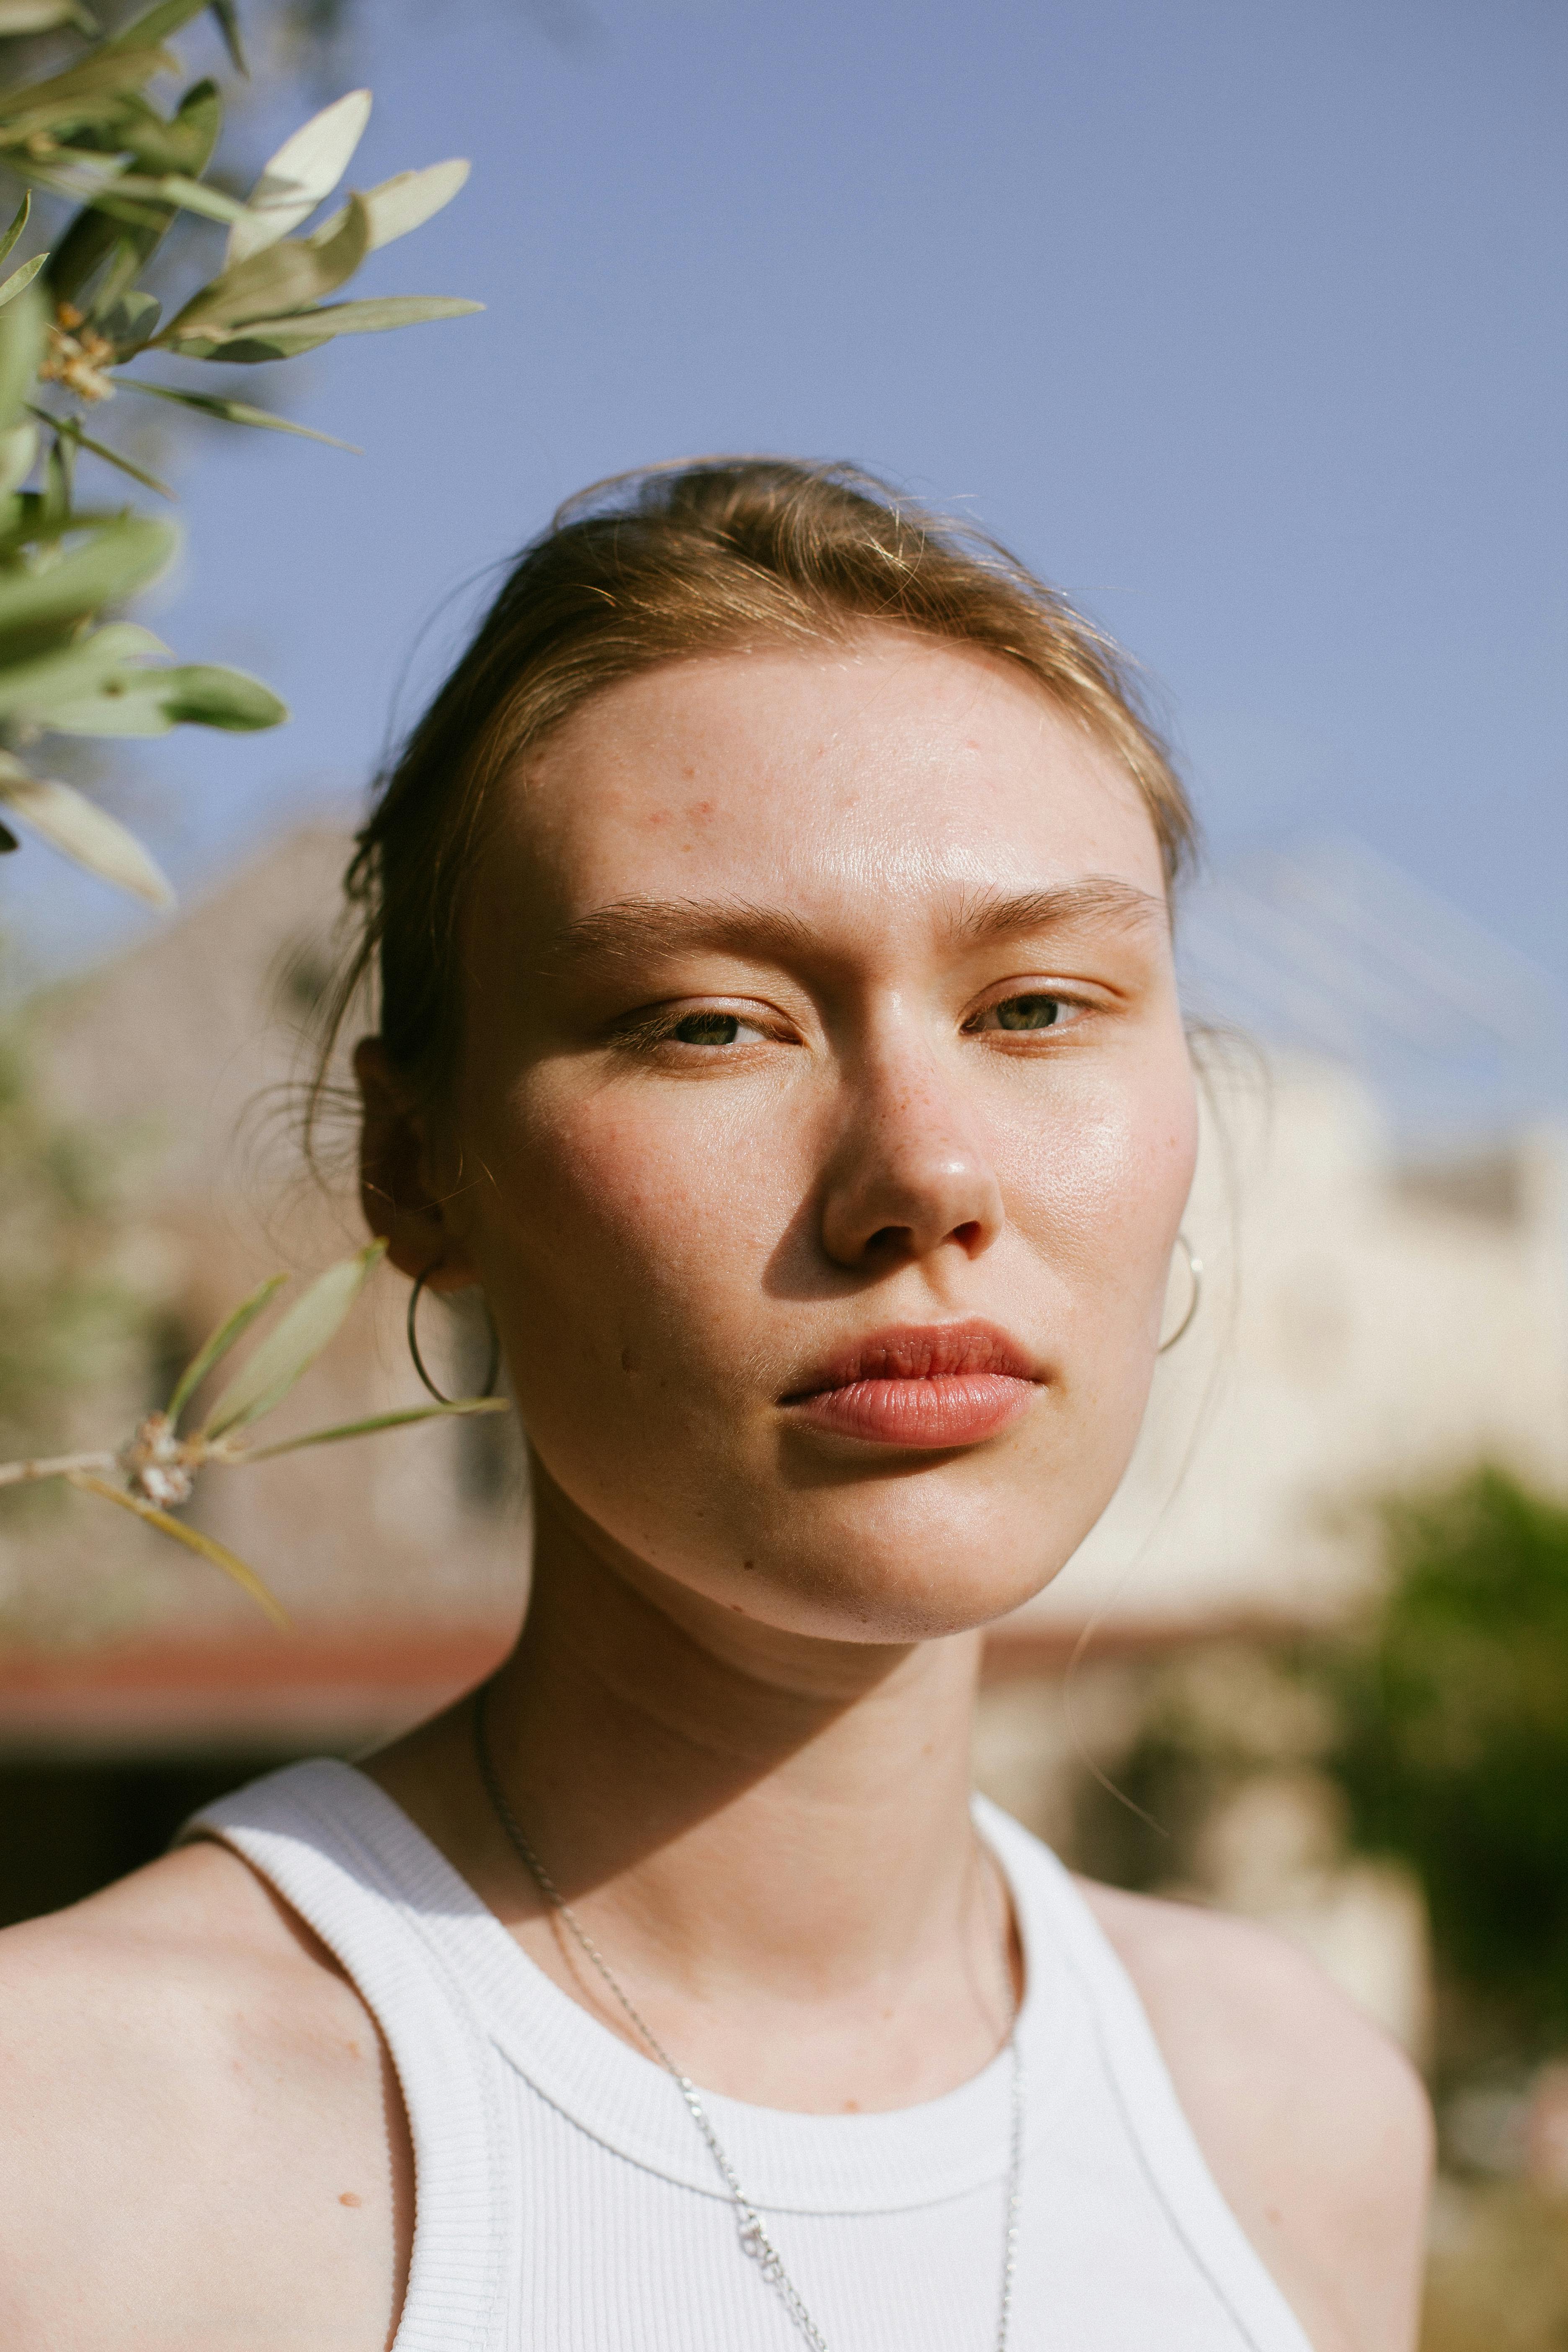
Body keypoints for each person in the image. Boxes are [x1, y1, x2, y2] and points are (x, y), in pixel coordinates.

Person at [0, 460, 1431, 2352]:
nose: (925, 1174)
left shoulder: (1300, 2119)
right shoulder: (76, 2149)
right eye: (710, 1021)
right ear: (418, 1171)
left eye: (1037, 1009)